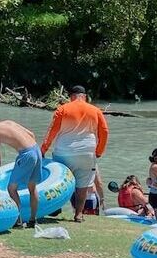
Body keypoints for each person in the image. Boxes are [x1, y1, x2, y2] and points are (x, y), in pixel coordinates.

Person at [40, 85, 109, 222]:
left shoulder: (63, 109)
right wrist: (99, 151)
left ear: (71, 96)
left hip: (63, 151)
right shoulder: (95, 111)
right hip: (87, 152)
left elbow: (52, 132)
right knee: (83, 184)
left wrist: (43, 149)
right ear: (85, 96)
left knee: (57, 181)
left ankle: (54, 208)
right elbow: (105, 132)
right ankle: (78, 214)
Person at [0, 112, 42, 228]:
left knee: (11, 188)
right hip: (36, 149)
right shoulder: (8, 122)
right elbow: (31, 134)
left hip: (27, 154)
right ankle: (33, 220)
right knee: (32, 187)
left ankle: (18, 221)